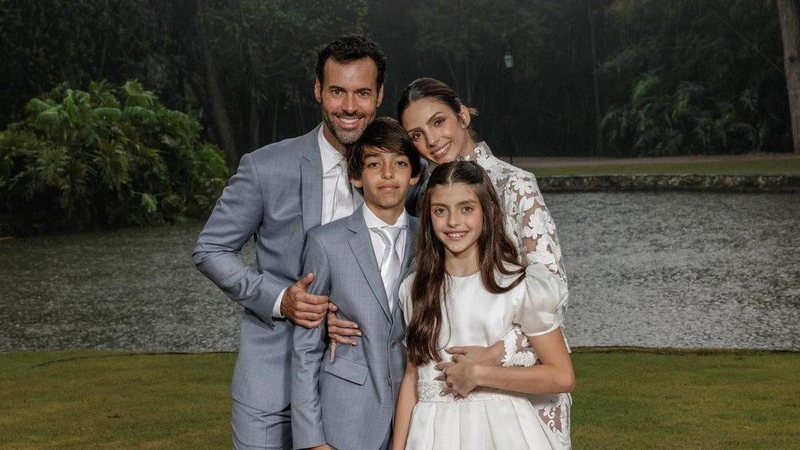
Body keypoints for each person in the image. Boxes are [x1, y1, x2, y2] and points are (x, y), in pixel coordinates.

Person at [192, 35, 386, 449]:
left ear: (379, 96)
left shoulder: (397, 174)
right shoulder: (265, 167)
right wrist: (282, 299)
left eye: (362, 93)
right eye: (337, 91)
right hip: (271, 384)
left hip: (361, 389)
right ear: (318, 90)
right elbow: (210, 249)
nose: (349, 107)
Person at [396, 77, 573, 445]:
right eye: (416, 134)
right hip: (441, 396)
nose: (431, 140)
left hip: (519, 387)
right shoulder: (424, 196)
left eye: (438, 121)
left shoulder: (515, 184)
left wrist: (493, 356)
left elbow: (554, 294)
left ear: (462, 114)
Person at [292, 117, 422, 450]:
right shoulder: (326, 243)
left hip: (421, 411)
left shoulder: (432, 240)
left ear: (415, 175)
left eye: (400, 163)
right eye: (374, 164)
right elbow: (306, 346)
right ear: (356, 176)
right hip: (347, 416)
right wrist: (311, 438)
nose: (388, 174)